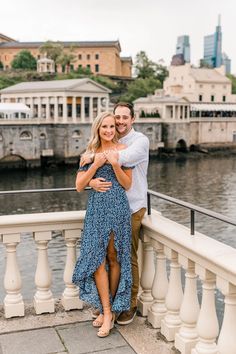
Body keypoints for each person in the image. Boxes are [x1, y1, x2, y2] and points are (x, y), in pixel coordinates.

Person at [83, 102, 149, 325]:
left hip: (131, 207)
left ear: (133, 119)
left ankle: (128, 306)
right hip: (105, 207)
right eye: (116, 118)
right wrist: (91, 178)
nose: (119, 122)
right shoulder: (113, 141)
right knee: (105, 258)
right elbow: (82, 181)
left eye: (123, 118)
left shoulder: (140, 141)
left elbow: (123, 158)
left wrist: (91, 157)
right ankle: (107, 305)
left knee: (125, 256)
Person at [72, 111, 133, 338]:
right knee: (97, 259)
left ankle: (111, 312)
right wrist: (94, 169)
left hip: (117, 207)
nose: (108, 130)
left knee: (113, 257)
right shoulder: (89, 154)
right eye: (104, 127)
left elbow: (127, 184)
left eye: (111, 127)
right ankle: (106, 312)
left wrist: (116, 165)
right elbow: (79, 185)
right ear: (97, 129)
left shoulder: (124, 151)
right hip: (97, 209)